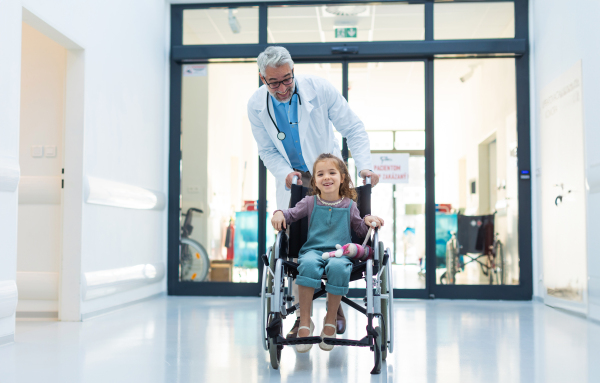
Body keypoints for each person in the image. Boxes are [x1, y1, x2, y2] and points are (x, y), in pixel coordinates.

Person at [248, 46, 380, 339]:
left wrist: (366, 167)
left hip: (326, 172)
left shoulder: (319, 89)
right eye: (274, 82)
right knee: (296, 248)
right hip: (292, 178)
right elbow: (267, 149)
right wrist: (286, 174)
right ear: (262, 78)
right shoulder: (256, 105)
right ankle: (300, 317)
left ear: (293, 70)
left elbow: (353, 128)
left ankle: (337, 310)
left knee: (336, 235)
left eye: (287, 79)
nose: (282, 88)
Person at [271, 153, 384, 352]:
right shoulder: (309, 202)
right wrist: (279, 212)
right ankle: (305, 321)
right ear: (314, 180)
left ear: (342, 178)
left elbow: (360, 231)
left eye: (332, 172)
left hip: (341, 253)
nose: (326, 177)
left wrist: (368, 220)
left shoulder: (350, 205)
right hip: (312, 251)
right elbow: (290, 215)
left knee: (339, 268)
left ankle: (330, 320)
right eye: (320, 174)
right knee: (306, 265)